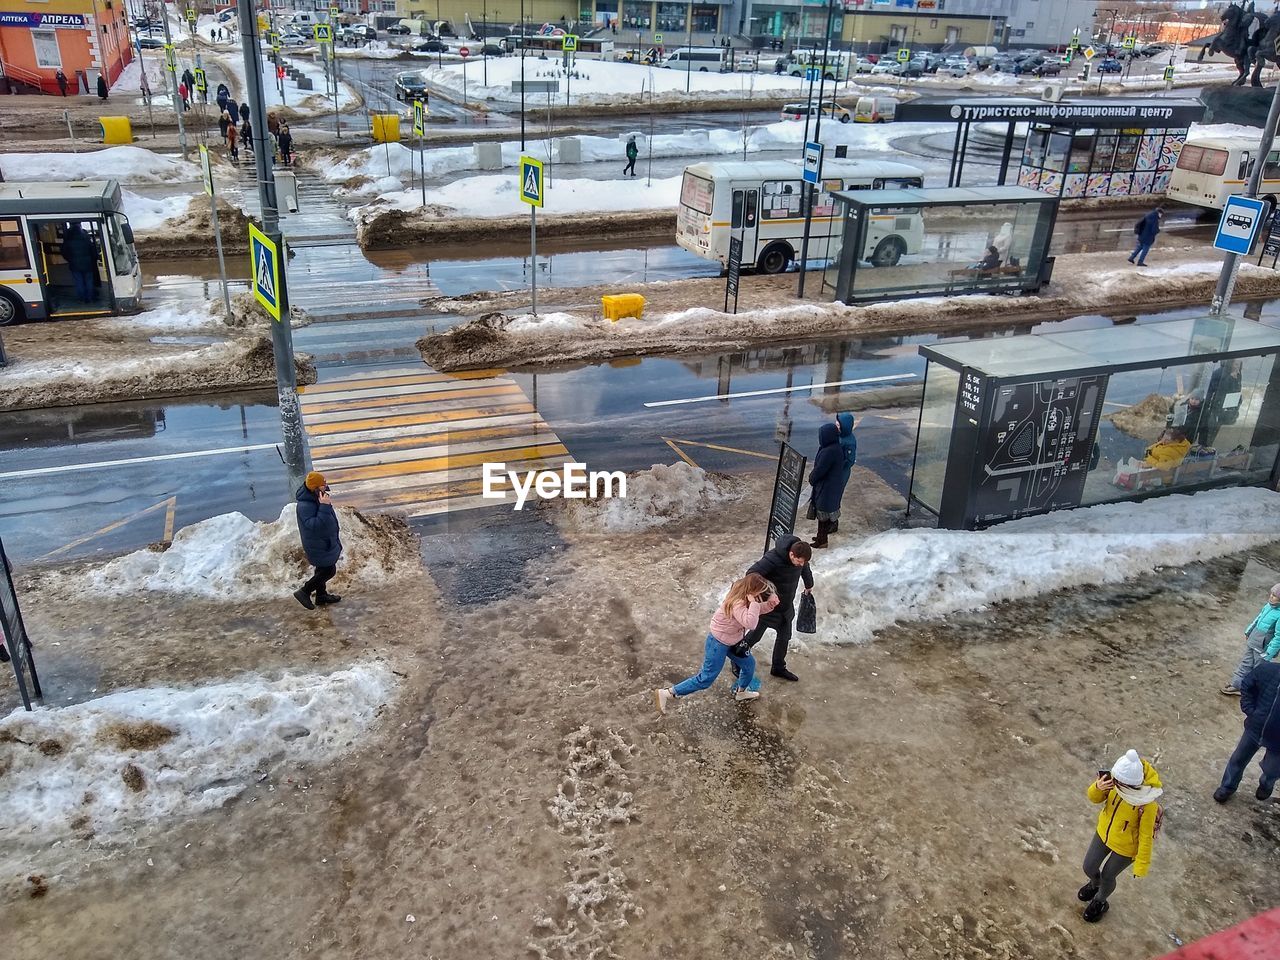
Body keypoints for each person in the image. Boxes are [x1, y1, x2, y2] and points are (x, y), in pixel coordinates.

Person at [653, 573, 778, 713]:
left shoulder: (746, 598)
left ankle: (741, 692)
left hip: (733, 641)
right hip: (717, 643)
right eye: (760, 593)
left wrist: (769, 605)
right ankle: (668, 693)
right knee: (706, 678)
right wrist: (755, 603)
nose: (762, 596)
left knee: (749, 665)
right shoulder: (738, 603)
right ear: (751, 591)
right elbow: (751, 622)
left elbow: (753, 613)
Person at [1079, 750, 1162, 923]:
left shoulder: (1147, 805)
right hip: (1103, 833)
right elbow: (1094, 798)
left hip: (1126, 848)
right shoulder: (1115, 782)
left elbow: (1146, 836)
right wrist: (1097, 787)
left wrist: (1141, 865)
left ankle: (1100, 901)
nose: (1114, 783)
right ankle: (1095, 884)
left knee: (1108, 876)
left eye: (1119, 782)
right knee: (1089, 866)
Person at [739, 536, 813, 682]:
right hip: (768, 608)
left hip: (785, 607)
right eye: (799, 562)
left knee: (784, 637)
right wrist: (767, 594)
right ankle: (738, 658)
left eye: (803, 562)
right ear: (792, 554)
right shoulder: (773, 558)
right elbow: (751, 574)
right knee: (754, 636)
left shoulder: (801, 557)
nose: (801, 565)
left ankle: (778, 667)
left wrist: (809, 584)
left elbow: (805, 568)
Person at [1216, 656, 1280, 802]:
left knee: (1272, 770)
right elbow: (1247, 684)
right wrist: (1250, 709)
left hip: (1278, 742)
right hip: (1254, 729)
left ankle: (1266, 785)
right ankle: (1227, 787)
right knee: (1238, 759)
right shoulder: (1268, 670)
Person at [294, 472, 343, 609]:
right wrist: (325, 507)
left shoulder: (316, 497)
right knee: (329, 570)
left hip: (323, 541)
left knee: (322, 569)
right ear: (315, 487)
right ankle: (304, 591)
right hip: (317, 544)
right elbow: (314, 526)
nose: (326, 487)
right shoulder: (305, 505)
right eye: (323, 485)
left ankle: (321, 596)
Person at [1222, 583, 1280, 696]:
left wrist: (1269, 653)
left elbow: (1279, 637)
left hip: (1263, 649)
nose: (1271, 597)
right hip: (1253, 641)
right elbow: (1257, 619)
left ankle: (1251, 691)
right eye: (1271, 594)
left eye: (1275, 596)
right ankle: (1237, 685)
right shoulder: (1268, 606)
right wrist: (1249, 631)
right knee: (1245, 663)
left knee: (1258, 670)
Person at [807, 422, 844, 549]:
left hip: (826, 489)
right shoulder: (834, 447)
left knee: (822, 515)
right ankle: (820, 536)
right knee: (824, 515)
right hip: (830, 487)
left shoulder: (829, 451)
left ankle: (822, 541)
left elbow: (820, 470)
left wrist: (811, 478)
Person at [59, 223, 99, 303]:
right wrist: (93, 260)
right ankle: (90, 298)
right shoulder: (86, 237)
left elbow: (64, 252)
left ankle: (81, 299)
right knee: (89, 281)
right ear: (80, 226)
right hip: (88, 264)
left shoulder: (68, 238)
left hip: (75, 265)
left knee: (79, 282)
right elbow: (93, 251)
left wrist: (70, 260)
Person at [832, 413, 857, 534]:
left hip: (840, 474)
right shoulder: (839, 436)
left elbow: (850, 460)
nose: (836, 425)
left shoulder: (849, 442)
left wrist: (838, 467)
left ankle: (834, 522)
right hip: (835, 472)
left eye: (838, 424)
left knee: (835, 498)